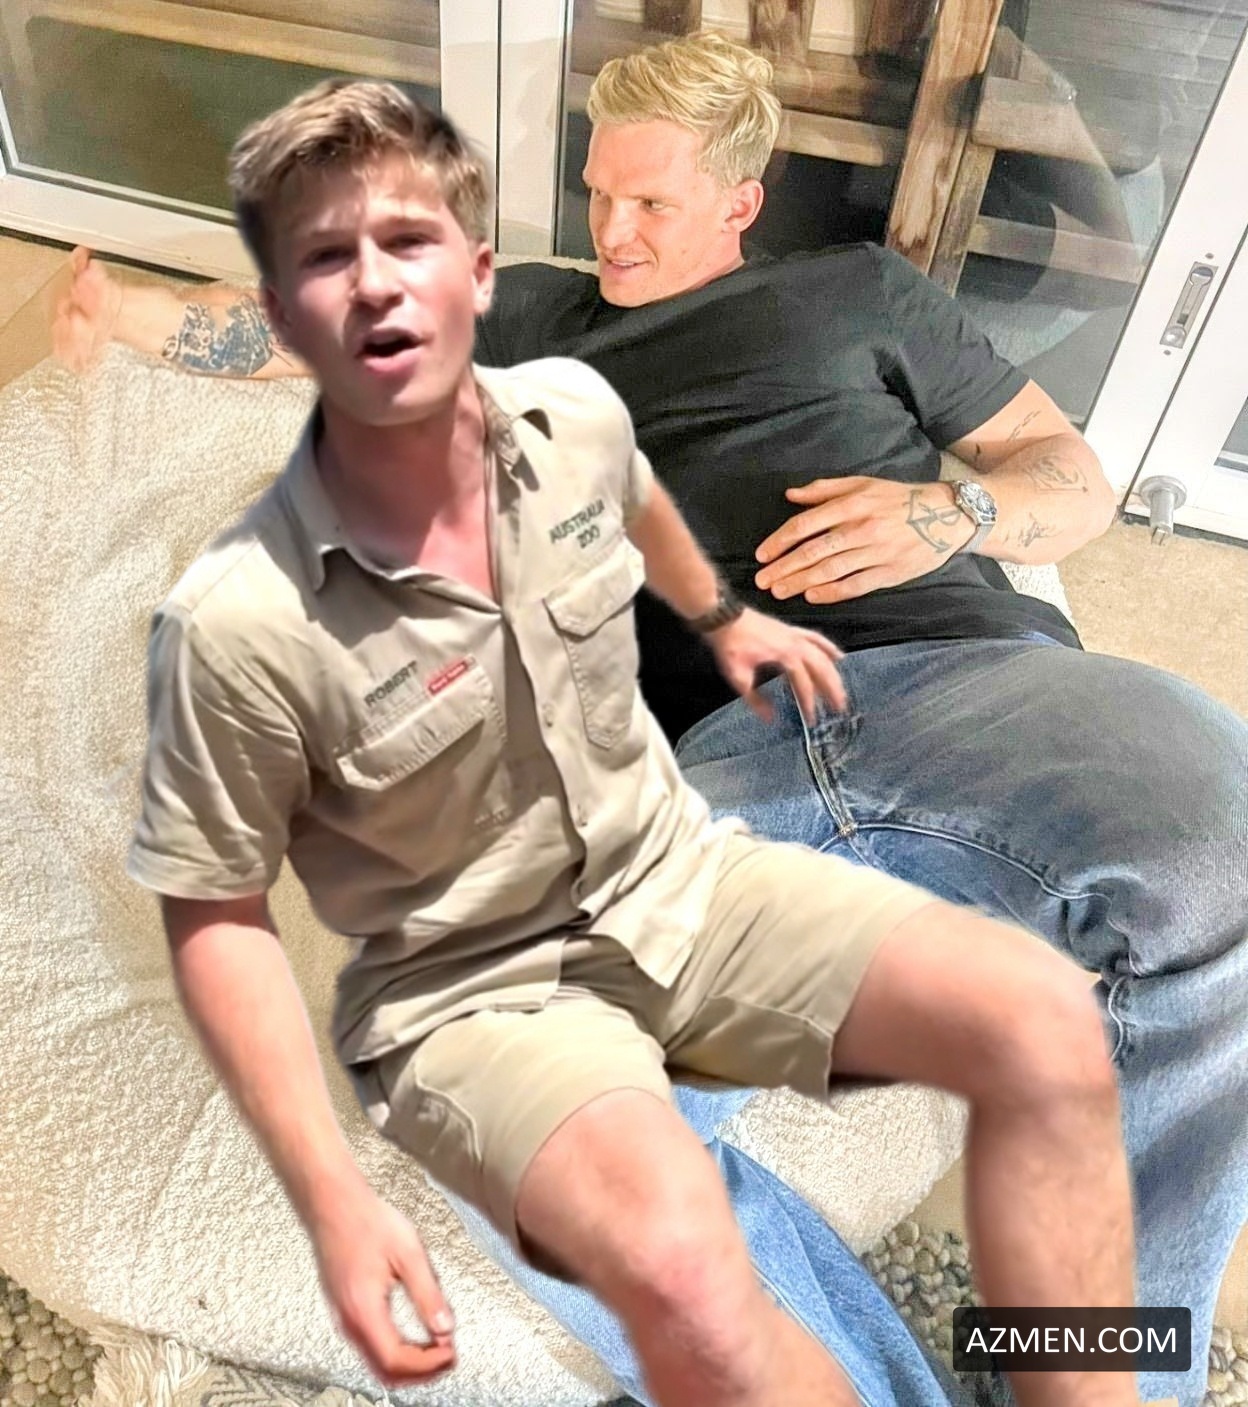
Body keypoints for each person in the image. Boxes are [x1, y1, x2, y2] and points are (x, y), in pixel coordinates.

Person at [60, 32, 1246, 1407]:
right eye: (598, 192)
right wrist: (127, 311)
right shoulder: (536, 317)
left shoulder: (859, 294)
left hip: (966, 685)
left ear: (742, 200)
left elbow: (1070, 476)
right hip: (714, 777)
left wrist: (951, 512)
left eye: (652, 203)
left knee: (1222, 858)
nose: (612, 232)